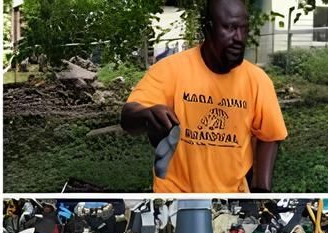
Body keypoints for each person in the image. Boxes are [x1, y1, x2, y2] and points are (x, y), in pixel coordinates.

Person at [121, 0, 287, 193]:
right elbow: (128, 118)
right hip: (175, 194)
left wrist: (261, 190)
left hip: (231, 195)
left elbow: (270, 135)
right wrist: (146, 114)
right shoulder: (171, 70)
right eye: (230, 28)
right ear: (207, 28)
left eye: (244, 29)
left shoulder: (257, 80)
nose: (239, 38)